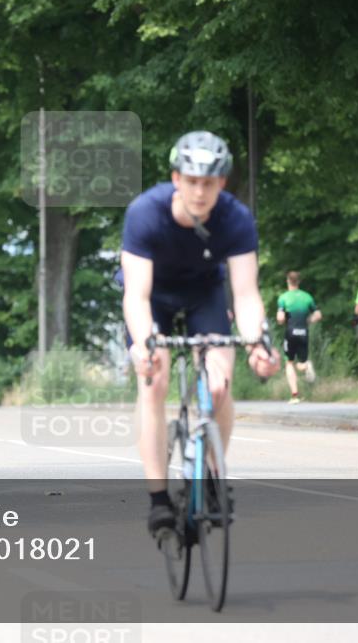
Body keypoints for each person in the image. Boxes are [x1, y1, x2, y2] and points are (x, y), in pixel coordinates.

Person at [119, 131, 279, 537]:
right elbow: (136, 295)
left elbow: (245, 295)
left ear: (222, 183)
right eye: (192, 181)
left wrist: (258, 341)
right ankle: (158, 500)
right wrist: (143, 343)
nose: (200, 191)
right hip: (153, 297)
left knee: (220, 384)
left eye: (209, 183)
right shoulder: (144, 213)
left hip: (204, 294)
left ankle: (211, 478)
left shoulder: (236, 218)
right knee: (153, 382)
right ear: (176, 179)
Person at [276, 271, 322, 403]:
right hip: (303, 332)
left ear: (288, 281)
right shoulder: (307, 297)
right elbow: (318, 315)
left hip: (290, 333)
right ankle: (307, 366)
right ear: (299, 281)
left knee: (289, 362)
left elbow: (279, 318)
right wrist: (307, 321)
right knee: (301, 363)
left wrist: (284, 320)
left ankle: (294, 395)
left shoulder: (283, 298)